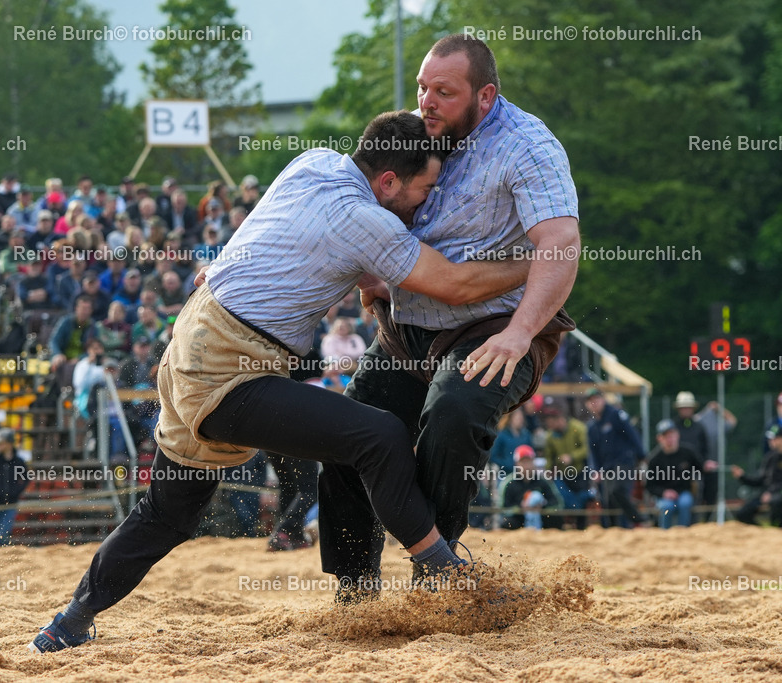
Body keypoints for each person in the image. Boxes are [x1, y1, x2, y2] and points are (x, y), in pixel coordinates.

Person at [28, 110, 532, 653]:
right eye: (423, 189)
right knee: (379, 435)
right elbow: (454, 284)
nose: (424, 202)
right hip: (229, 366)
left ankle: (69, 622)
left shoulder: (313, 163)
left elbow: (288, 240)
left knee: (169, 512)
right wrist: (539, 261)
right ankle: (439, 567)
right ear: (388, 181)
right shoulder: (369, 219)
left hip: (194, 340)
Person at [318, 35, 579, 597]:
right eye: (421, 87)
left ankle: (435, 579)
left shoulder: (528, 146)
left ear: (484, 96)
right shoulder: (409, 131)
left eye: (444, 91)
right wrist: (368, 271)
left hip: (493, 327)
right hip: (408, 328)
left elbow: (560, 243)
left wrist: (519, 334)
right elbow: (352, 196)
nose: (426, 102)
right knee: (347, 432)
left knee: (453, 413)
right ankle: (354, 589)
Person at [585, 389, 646, 528]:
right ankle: (613, 529)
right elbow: (593, 451)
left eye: (596, 399)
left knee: (617, 491)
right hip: (606, 467)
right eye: (590, 401)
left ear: (603, 399)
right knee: (608, 501)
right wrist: (595, 470)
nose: (594, 403)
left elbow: (632, 434)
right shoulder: (592, 426)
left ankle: (637, 518)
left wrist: (642, 455)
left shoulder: (615, 415)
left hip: (624, 462)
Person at [541, 398, 594, 528]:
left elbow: (587, 449)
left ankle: (581, 526)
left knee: (581, 499)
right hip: (563, 474)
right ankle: (570, 523)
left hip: (581, 471)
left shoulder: (578, 428)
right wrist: (548, 470)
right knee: (566, 500)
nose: (550, 426)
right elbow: (548, 456)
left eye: (551, 422)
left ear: (560, 419)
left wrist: (571, 457)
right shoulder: (550, 436)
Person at [646, 419, 702, 529]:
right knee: (667, 506)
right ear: (659, 439)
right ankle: (665, 533)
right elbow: (650, 486)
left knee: (685, 503)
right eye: (666, 436)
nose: (670, 439)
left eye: (672, 435)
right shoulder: (654, 460)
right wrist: (664, 492)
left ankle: (683, 531)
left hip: (684, 492)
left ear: (677, 435)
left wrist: (706, 466)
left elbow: (701, 468)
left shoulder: (688, 452)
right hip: (664, 496)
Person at [0, 428, 29, 546]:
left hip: (12, 502)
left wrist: (17, 491)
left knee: (3, 531)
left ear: (9, 444)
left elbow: (26, 478)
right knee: (0, 530)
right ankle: (2, 551)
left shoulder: (19, 462)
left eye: (1, 443)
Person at [498, 445, 563, 530]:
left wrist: (542, 507)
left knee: (556, 520)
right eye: (523, 462)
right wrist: (521, 508)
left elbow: (557, 503)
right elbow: (503, 508)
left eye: (529, 461)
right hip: (519, 519)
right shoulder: (509, 483)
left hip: (542, 518)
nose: (526, 466)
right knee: (507, 523)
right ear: (517, 464)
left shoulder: (543, 481)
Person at [731, 425, 782, 526]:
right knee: (743, 514)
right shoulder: (770, 458)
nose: (770, 441)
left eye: (774, 438)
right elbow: (760, 480)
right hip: (767, 495)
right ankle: (762, 534)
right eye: (770, 438)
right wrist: (742, 477)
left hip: (776, 496)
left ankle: (776, 531)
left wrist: (771, 493)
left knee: (776, 503)